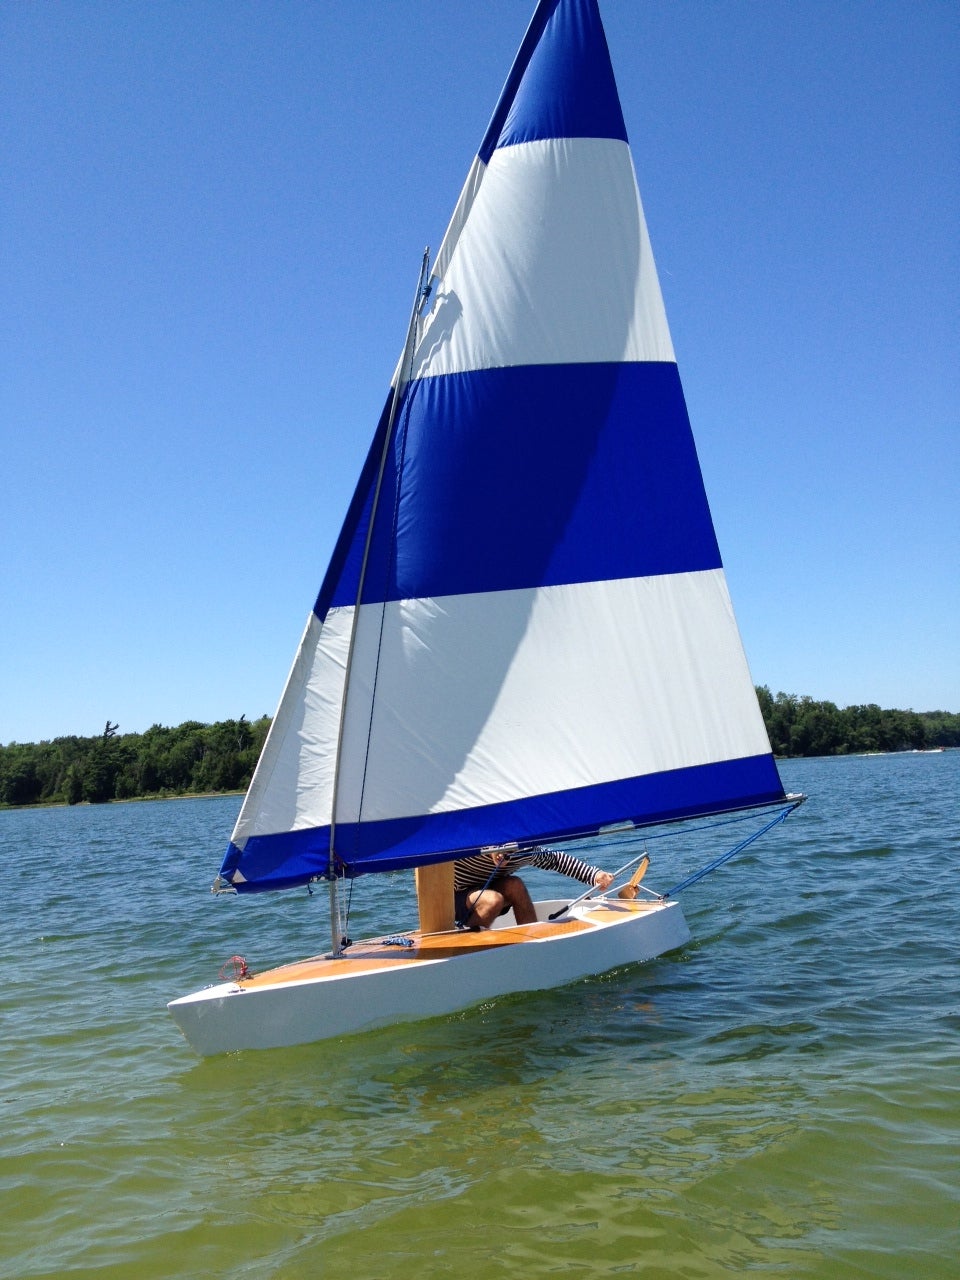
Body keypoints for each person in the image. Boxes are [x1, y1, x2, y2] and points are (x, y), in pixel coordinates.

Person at [454, 846, 614, 929]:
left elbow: (556, 859)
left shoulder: (526, 850)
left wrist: (593, 875)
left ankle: (530, 944)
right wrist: (493, 850)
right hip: (449, 897)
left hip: (483, 891)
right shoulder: (475, 841)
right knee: (492, 900)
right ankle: (464, 950)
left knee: (515, 885)